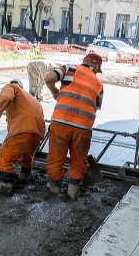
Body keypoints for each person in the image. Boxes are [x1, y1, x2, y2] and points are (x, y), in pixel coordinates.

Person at [43, 53, 104, 200]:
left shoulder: (69, 68)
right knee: (78, 161)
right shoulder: (99, 85)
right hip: (83, 129)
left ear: (84, 62)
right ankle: (72, 195)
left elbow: (48, 79)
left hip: (61, 123)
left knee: (56, 159)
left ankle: (54, 192)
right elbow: (95, 108)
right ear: (96, 67)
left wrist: (55, 92)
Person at [0, 79, 46, 195]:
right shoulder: (32, 100)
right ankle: (23, 179)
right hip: (38, 132)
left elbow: (6, 97)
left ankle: (4, 192)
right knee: (27, 156)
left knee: (4, 160)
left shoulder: (11, 88)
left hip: (23, 129)